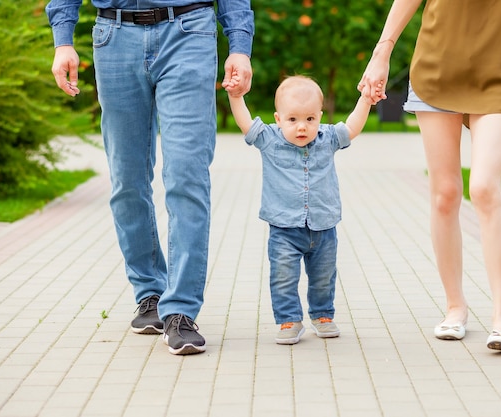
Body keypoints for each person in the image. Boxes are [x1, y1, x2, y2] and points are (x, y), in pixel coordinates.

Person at [46, 0, 254, 355]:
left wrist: (239, 44)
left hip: (189, 30)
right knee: (127, 180)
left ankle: (181, 310)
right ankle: (150, 293)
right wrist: (63, 38)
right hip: (114, 37)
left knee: (186, 176)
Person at [359, 0, 501, 352]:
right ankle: (455, 307)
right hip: (437, 65)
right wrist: (382, 51)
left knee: (484, 187)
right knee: (445, 194)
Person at [223, 74, 373, 344]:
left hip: (323, 226)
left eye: (310, 119)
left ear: (319, 116)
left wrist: (365, 100)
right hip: (284, 229)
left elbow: (352, 127)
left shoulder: (327, 138)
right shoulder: (270, 139)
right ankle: (289, 320)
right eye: (292, 120)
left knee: (324, 276)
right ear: (278, 119)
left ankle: (322, 314)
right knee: (282, 277)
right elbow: (246, 125)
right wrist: (236, 97)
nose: (302, 127)